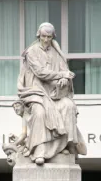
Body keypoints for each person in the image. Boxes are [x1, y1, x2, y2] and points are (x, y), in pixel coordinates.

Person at [16, 22, 87, 165]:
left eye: (49, 37)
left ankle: (64, 146)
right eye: (43, 36)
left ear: (52, 36)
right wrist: (61, 74)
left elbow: (65, 74)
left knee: (68, 106)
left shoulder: (56, 53)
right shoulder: (32, 52)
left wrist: (63, 80)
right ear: (39, 35)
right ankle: (39, 150)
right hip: (35, 92)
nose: (46, 39)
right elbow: (40, 73)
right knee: (40, 112)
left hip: (55, 94)